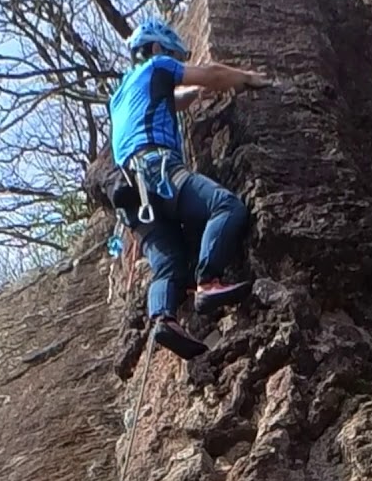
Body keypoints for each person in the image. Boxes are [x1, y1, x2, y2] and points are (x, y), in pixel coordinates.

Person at [107, 18, 270, 360]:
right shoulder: (156, 65)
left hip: (131, 196)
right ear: (154, 50)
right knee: (226, 207)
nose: (175, 62)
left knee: (169, 264)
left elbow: (165, 99)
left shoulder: (120, 95)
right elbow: (210, 72)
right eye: (172, 56)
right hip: (157, 170)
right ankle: (209, 281)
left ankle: (162, 318)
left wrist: (194, 95)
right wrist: (246, 79)